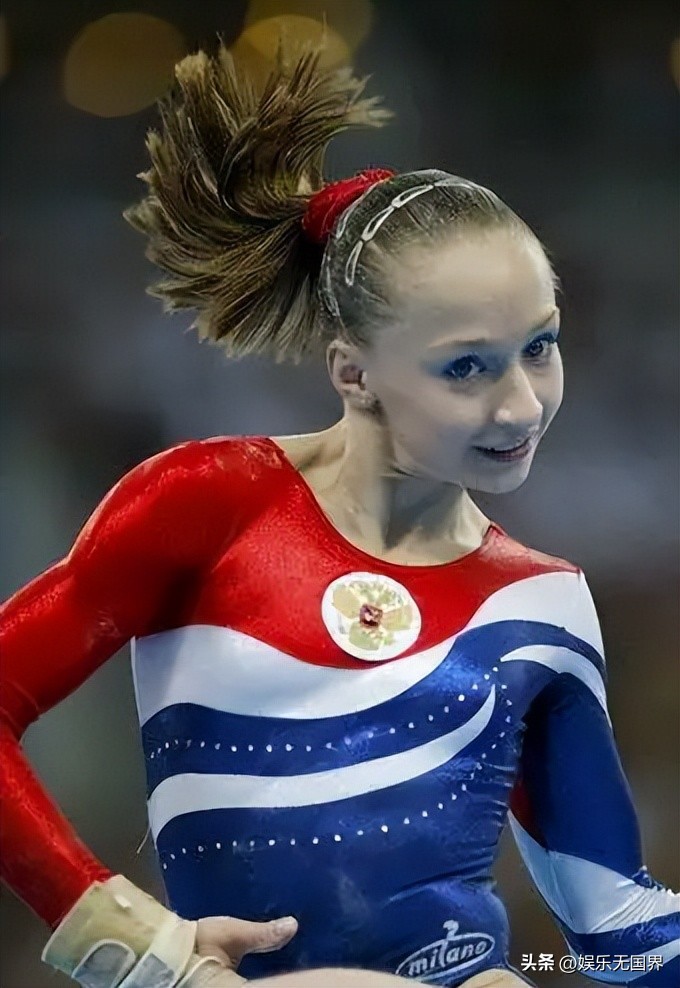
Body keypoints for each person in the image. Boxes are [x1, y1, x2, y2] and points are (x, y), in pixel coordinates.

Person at [0, 41, 677, 988]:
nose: (522, 405)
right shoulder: (210, 504)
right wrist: (131, 946)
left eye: (541, 347)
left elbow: (619, 930)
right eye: (467, 367)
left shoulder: (544, 603)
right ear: (354, 372)